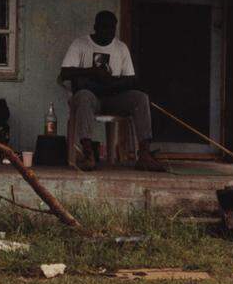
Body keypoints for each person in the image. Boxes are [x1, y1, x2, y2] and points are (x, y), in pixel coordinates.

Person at [59, 10, 168, 172]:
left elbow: (130, 80)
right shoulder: (80, 44)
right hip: (91, 98)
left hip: (114, 97)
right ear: (95, 27)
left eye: (111, 28)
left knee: (140, 97)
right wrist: (93, 71)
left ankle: (144, 155)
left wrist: (112, 82)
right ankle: (88, 155)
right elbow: (64, 73)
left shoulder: (121, 48)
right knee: (83, 96)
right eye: (103, 27)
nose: (108, 32)